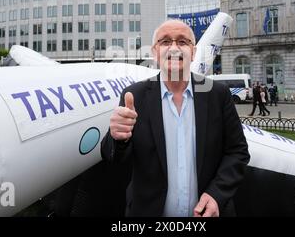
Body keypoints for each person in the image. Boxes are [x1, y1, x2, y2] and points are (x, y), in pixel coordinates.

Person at [101, 19, 250, 217]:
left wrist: (217, 194)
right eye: (165, 42)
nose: (173, 48)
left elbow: (238, 151)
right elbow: (114, 156)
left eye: (182, 42)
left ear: (193, 52)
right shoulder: (134, 95)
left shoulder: (218, 95)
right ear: (154, 52)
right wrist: (117, 137)